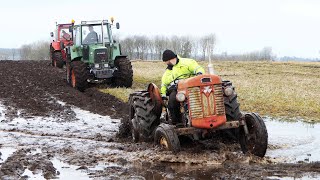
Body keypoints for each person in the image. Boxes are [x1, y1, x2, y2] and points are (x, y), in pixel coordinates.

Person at [161, 49, 205, 124]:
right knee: (173, 100)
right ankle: (177, 122)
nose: (167, 64)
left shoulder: (187, 62)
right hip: (177, 89)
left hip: (191, 86)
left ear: (170, 59)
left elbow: (197, 68)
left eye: (167, 62)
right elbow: (164, 84)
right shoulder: (168, 71)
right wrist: (163, 95)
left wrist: (199, 73)